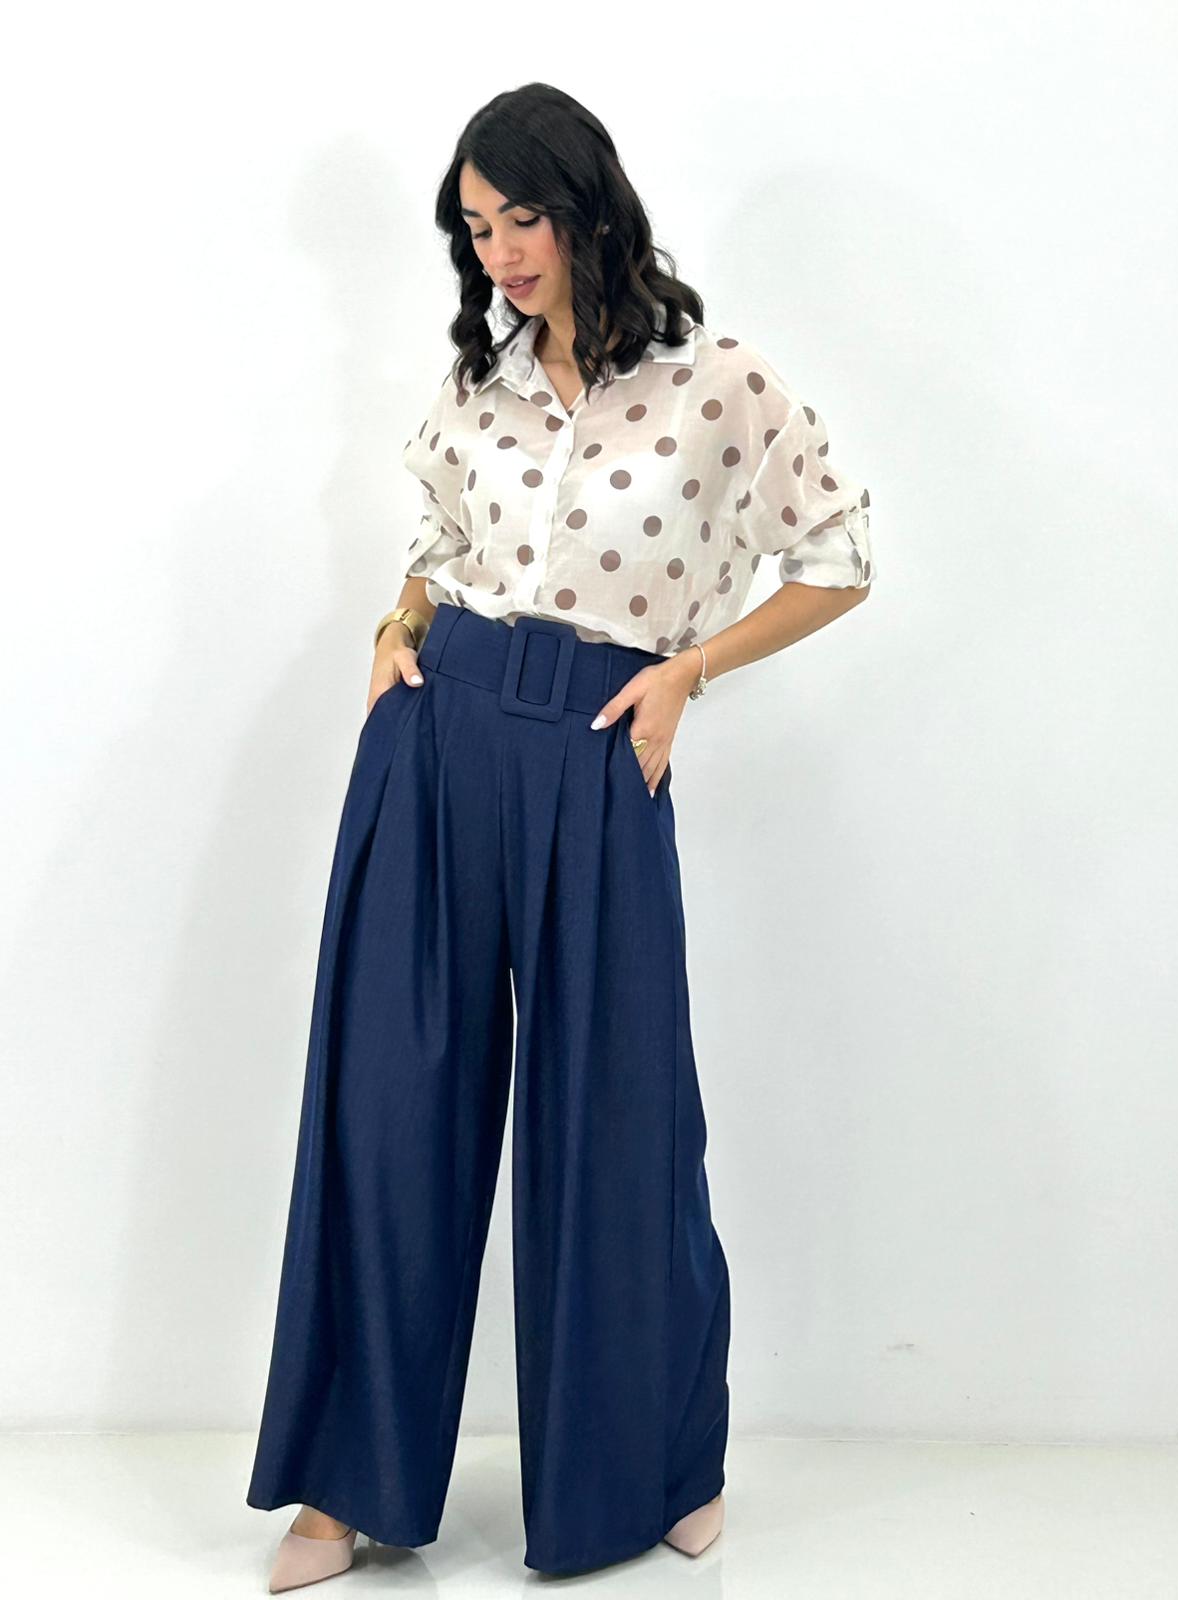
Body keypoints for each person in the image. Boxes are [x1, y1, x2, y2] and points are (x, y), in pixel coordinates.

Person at [245, 81, 875, 1592]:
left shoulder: (718, 383)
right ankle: (346, 1484)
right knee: (388, 1109)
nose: (501, 254)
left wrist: (689, 672)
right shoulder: (483, 380)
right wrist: (398, 625)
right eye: (475, 230)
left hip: (599, 751)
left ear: (588, 206)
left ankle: (653, 1467)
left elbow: (841, 554)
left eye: (520, 217)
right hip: (438, 735)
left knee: (619, 1125)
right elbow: (440, 543)